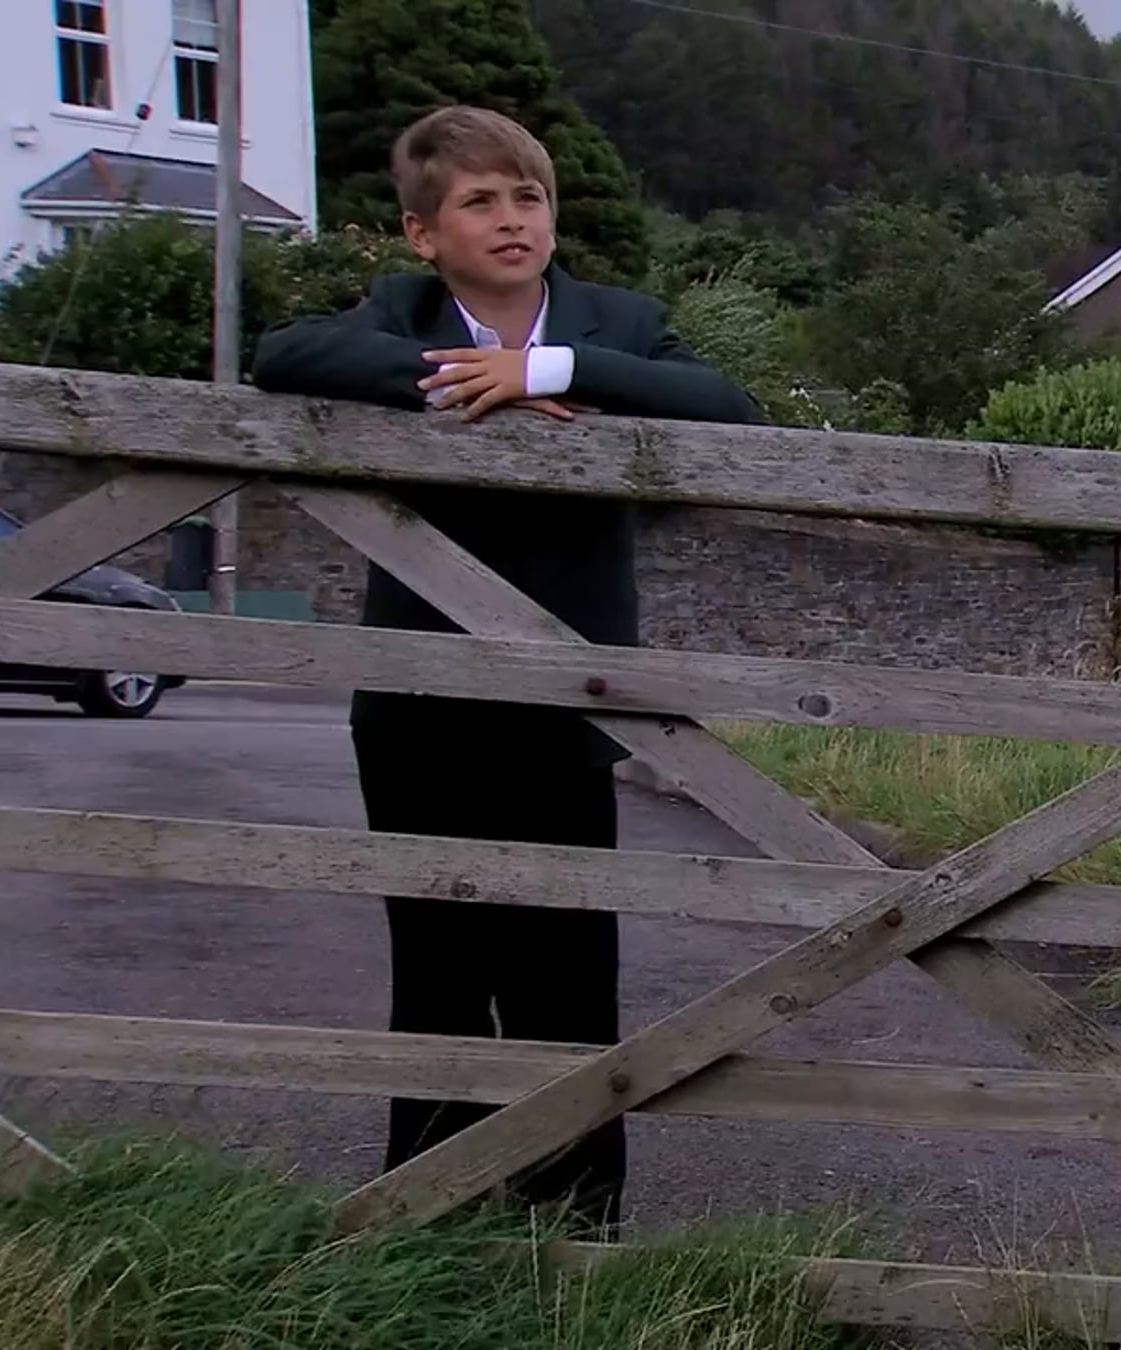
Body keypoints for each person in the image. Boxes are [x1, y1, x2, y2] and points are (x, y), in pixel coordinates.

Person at [253, 105, 759, 1234]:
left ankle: (577, 1225)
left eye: (528, 196)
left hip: (569, 697)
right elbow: (283, 355)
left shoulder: (621, 323)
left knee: (568, 968)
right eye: (478, 201)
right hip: (418, 698)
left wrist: (548, 366)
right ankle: (423, 1219)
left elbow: (730, 407)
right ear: (423, 232)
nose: (511, 217)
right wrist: (469, 378)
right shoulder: (399, 311)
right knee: (436, 965)